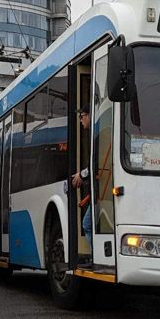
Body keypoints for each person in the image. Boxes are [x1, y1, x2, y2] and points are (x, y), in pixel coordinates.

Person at [69, 107, 93, 254]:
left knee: (87, 224)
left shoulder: (95, 134)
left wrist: (82, 175)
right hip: (97, 192)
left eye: (82, 116)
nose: (80, 120)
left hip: (100, 193)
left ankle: (96, 255)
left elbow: (96, 164)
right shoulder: (93, 133)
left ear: (90, 115)